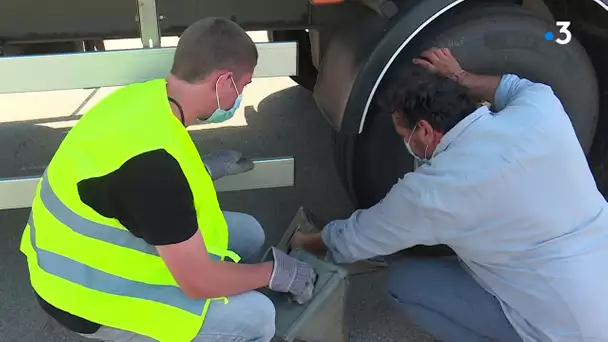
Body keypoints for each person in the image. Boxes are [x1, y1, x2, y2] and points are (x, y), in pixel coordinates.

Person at [20, 17, 317, 342]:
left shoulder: (144, 99)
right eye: (243, 86)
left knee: (248, 233)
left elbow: (128, 181)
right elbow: (197, 281)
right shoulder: (155, 173)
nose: (240, 95)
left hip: (82, 250)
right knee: (259, 316)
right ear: (224, 83)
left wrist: (200, 171)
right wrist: (275, 274)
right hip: (81, 294)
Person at [292, 47, 608, 341]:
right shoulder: (542, 109)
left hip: (569, 327)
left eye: (405, 133)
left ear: (425, 131)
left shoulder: (433, 191)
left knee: (406, 284)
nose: (407, 141)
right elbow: (511, 87)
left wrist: (307, 242)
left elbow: (353, 240)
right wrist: (459, 75)